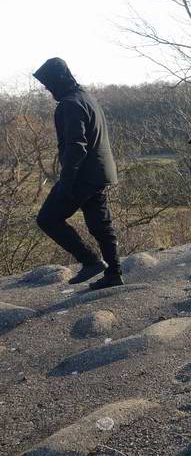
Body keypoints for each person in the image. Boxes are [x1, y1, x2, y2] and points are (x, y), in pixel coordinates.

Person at [33, 58, 124, 290]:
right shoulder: (86, 98)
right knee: (101, 226)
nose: (46, 88)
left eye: (48, 83)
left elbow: (76, 146)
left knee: (47, 219)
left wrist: (66, 181)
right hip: (100, 174)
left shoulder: (69, 104)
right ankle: (114, 274)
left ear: (58, 80)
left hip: (82, 176)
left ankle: (91, 261)